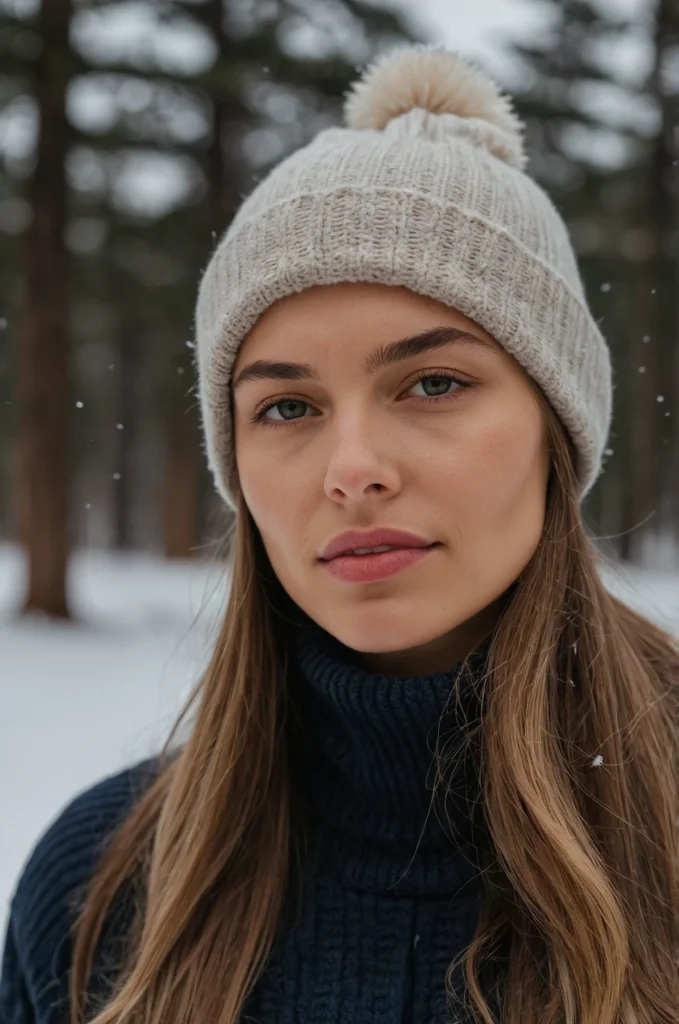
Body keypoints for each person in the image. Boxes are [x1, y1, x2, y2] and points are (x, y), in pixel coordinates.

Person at [2, 42, 679, 1024]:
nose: (351, 467)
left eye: (433, 383)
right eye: (285, 406)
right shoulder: (104, 883)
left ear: (555, 428)